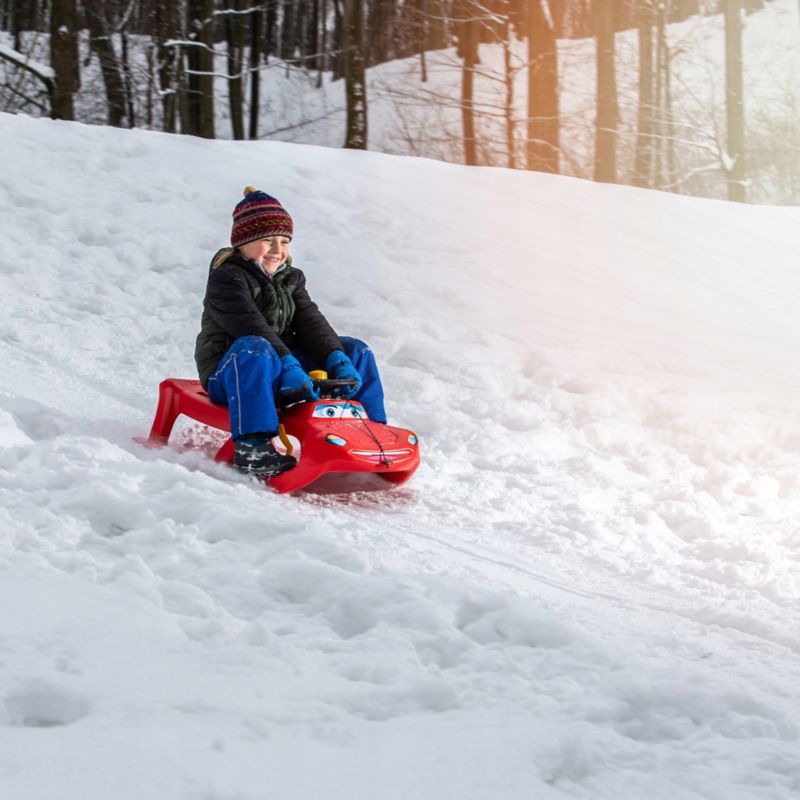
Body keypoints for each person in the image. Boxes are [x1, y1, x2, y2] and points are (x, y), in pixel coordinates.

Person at [195, 187, 387, 476]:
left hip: (284, 367)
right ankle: (252, 447)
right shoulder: (227, 278)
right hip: (235, 373)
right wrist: (287, 364)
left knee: (356, 349)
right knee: (255, 346)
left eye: (284, 241)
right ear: (242, 242)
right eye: (267, 240)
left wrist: (335, 356)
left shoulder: (291, 278)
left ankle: (372, 434)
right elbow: (250, 324)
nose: (277, 250)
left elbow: (310, 320)